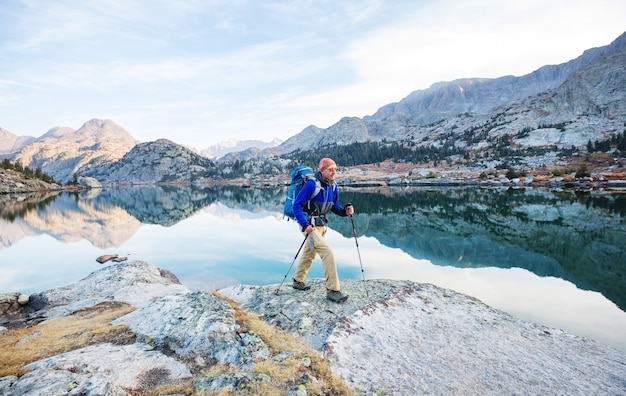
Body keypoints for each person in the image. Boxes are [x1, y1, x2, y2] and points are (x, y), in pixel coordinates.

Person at [291, 157, 354, 303]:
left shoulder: (333, 186)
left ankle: (298, 280)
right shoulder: (312, 185)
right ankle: (333, 290)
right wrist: (305, 225)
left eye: (335, 169)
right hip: (309, 224)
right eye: (330, 169)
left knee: (310, 253)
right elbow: (296, 206)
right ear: (322, 170)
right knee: (328, 253)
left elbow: (334, 206)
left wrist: (345, 211)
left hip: (321, 225)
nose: (334, 172)